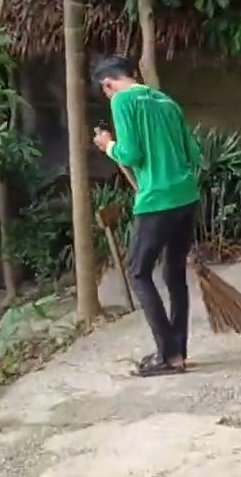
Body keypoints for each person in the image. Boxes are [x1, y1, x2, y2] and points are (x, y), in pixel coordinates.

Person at [90, 55, 201, 377]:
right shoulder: (166, 101)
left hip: (157, 201)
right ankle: (177, 351)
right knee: (174, 272)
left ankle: (167, 355)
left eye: (106, 91)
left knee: (138, 272)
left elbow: (131, 154)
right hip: (186, 196)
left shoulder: (123, 100)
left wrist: (108, 144)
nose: (109, 96)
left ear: (108, 84)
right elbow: (193, 153)